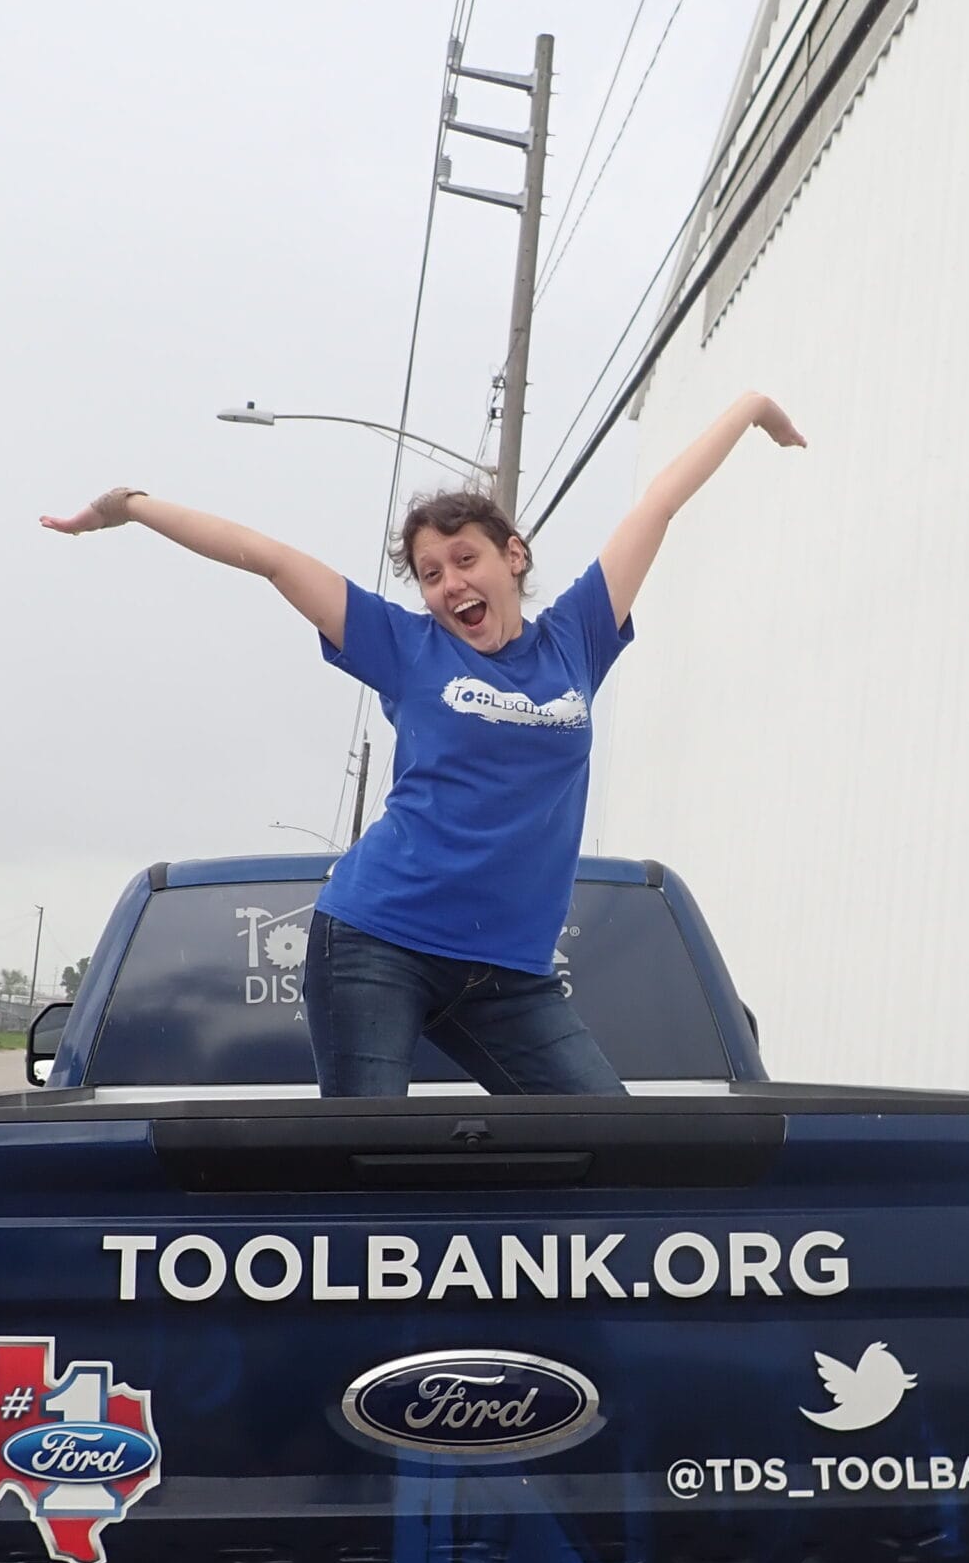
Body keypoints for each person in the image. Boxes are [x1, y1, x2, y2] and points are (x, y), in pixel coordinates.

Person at [41, 389, 805, 1096]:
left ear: (514, 556)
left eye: (464, 560)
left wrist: (749, 409)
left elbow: (658, 505)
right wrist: (129, 506)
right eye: (431, 574)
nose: (448, 585)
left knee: (611, 1136)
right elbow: (268, 557)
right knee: (366, 1162)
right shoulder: (405, 648)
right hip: (379, 942)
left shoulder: (577, 637)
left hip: (508, 972)